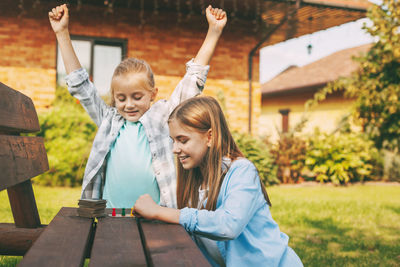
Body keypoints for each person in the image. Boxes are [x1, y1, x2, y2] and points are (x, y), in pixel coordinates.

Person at [48, 4, 227, 208]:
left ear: (153, 94)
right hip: (111, 217)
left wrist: (214, 31)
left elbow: (192, 81)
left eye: (137, 96)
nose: (129, 105)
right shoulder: (108, 119)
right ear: (114, 98)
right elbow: (81, 86)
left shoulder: (164, 117)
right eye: (121, 98)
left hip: (157, 218)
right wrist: (62, 32)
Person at [133, 96, 303, 267]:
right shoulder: (195, 179)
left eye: (182, 140)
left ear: (210, 137)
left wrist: (158, 211)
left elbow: (228, 225)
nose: (175, 149)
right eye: (173, 141)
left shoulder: (242, 171)